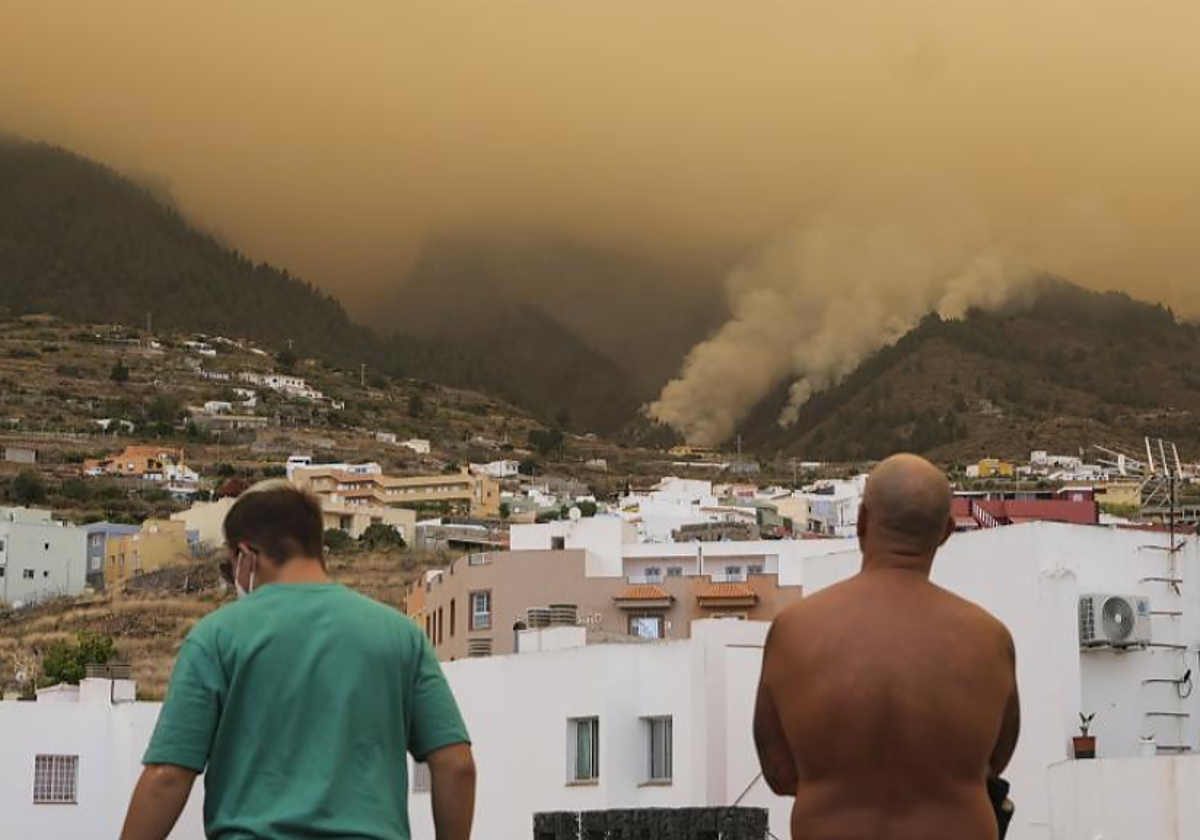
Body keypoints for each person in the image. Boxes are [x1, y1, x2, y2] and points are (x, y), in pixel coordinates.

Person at [120, 481, 476, 840]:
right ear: (317, 548)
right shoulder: (401, 635)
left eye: (230, 569)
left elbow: (167, 776)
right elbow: (456, 765)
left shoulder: (216, 636)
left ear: (246, 555)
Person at [754, 454, 1020, 840]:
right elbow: (993, 763)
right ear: (946, 532)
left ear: (861, 520)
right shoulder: (990, 639)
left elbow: (779, 774)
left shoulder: (794, 631)